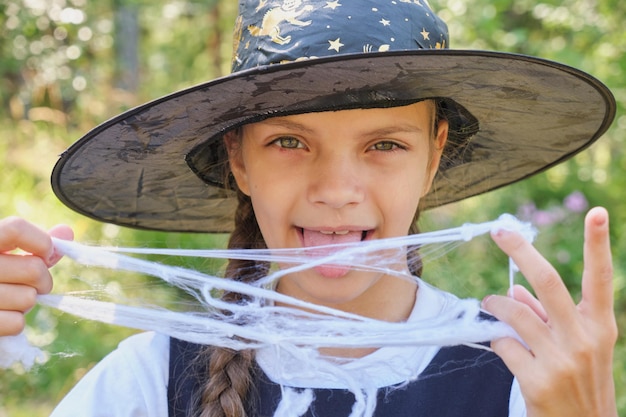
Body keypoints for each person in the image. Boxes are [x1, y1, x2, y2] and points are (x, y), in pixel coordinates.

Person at [0, 0, 618, 416]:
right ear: (238, 159)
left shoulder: (524, 380)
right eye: (289, 142)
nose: (336, 188)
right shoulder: (148, 382)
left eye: (384, 145)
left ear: (434, 157)